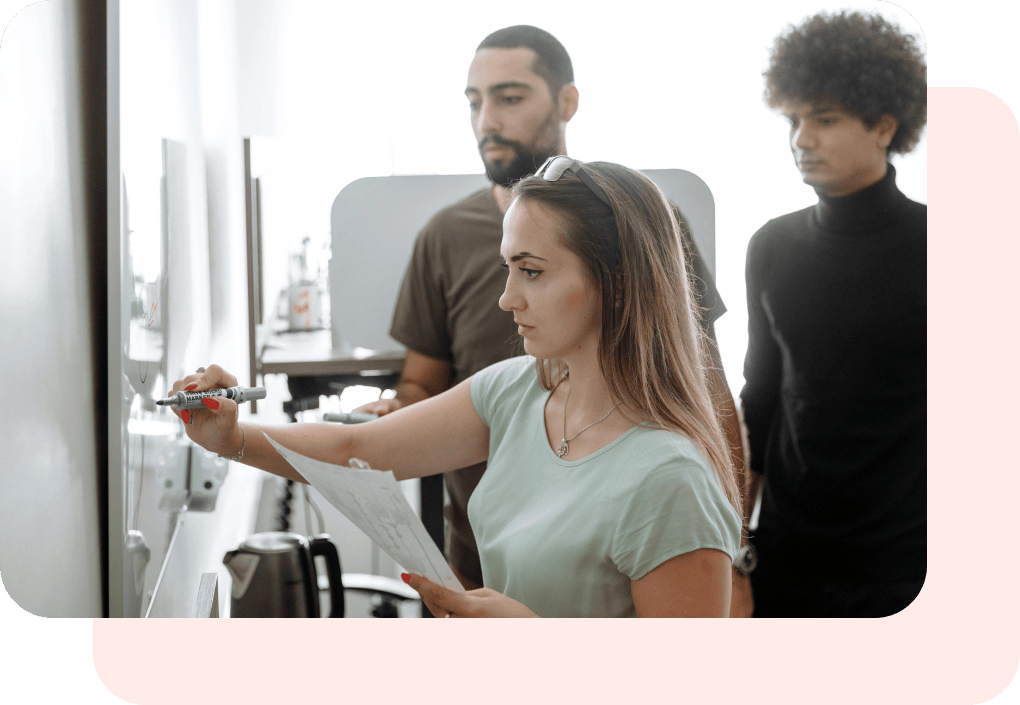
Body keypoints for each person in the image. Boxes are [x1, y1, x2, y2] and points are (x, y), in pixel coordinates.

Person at [172, 157, 743, 618]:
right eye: (507, 268)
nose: (507, 298)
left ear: (616, 284)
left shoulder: (672, 481)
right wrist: (232, 437)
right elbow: (358, 450)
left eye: (532, 271)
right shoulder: (515, 393)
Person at [351, 25, 747, 607]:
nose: (487, 120)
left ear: (566, 101)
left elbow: (704, 386)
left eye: (509, 98)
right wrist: (392, 417)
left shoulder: (636, 227)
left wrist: (731, 556)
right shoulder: (445, 237)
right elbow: (421, 382)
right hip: (478, 562)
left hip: (611, 570)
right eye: (474, 102)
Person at [739, 11, 927, 617]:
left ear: (884, 126)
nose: (801, 139)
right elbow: (761, 398)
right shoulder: (772, 246)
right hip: (785, 560)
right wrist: (735, 539)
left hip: (906, 570)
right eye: (793, 120)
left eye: (824, 119)